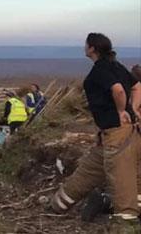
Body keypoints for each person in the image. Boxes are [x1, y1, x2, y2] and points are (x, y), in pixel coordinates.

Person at [50, 33, 140, 224]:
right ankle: (59, 204)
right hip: (111, 132)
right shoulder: (117, 66)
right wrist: (134, 111)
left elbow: (118, 89)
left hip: (119, 132)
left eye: (86, 45)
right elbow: (137, 86)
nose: (84, 47)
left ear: (92, 48)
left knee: (122, 174)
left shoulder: (101, 69)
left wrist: (122, 110)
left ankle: (127, 218)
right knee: (91, 168)